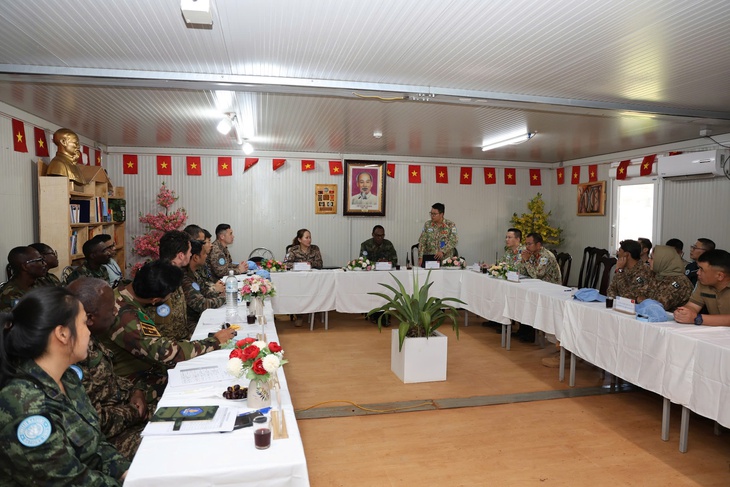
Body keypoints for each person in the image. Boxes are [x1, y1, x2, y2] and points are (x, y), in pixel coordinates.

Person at [0, 287, 130, 485]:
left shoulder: (67, 378)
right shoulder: (25, 407)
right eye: (84, 323)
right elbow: (68, 481)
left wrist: (127, 472)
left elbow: (96, 446)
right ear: (62, 333)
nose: (89, 332)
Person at [101, 261, 235, 400]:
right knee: (200, 390)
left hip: (147, 364)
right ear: (155, 300)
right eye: (170, 295)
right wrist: (214, 341)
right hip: (130, 380)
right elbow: (165, 352)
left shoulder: (126, 290)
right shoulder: (126, 317)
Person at [67, 278, 147, 461]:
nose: (116, 312)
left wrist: (137, 390)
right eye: (111, 309)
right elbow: (94, 421)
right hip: (107, 440)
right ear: (89, 318)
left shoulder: (92, 338)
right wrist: (134, 412)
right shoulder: (73, 356)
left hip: (123, 414)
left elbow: (111, 379)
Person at [516, 233, 561, 345]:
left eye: (529, 244)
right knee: (520, 296)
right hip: (537, 286)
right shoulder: (531, 254)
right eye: (526, 244)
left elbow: (537, 275)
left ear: (538, 244)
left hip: (550, 290)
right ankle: (523, 330)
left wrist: (527, 261)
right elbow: (522, 272)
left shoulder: (545, 256)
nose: (527, 247)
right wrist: (523, 260)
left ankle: (529, 332)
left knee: (527, 298)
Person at [148, 230, 192, 341]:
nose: (191, 254)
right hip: (166, 346)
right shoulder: (159, 279)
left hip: (181, 340)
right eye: (189, 251)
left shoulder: (174, 274)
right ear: (181, 255)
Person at [674, 249, 730, 327]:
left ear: (720, 276)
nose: (698, 272)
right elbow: (693, 305)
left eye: (702, 269)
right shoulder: (703, 283)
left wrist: (697, 318)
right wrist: (684, 312)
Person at [183, 239, 225, 324]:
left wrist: (218, 292)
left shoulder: (194, 273)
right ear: (196, 257)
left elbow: (204, 291)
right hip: (192, 324)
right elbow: (202, 304)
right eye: (204, 253)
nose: (206, 256)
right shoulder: (185, 278)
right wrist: (224, 298)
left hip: (201, 317)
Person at [643, 245, 694, 312]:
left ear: (663, 261)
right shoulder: (658, 275)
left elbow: (658, 306)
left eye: (652, 258)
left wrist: (641, 300)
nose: (648, 260)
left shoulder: (679, 282)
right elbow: (639, 294)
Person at [1, 246, 47, 312]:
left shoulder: (40, 282)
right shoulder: (10, 295)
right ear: (25, 266)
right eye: (39, 260)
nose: (45, 264)